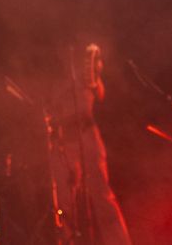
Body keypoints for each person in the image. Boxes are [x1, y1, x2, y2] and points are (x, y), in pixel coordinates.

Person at [49, 44, 132, 245]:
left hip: (86, 136)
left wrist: (91, 64)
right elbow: (49, 107)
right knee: (63, 201)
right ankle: (68, 241)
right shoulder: (52, 79)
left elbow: (98, 90)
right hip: (63, 142)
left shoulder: (84, 71)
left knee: (102, 195)